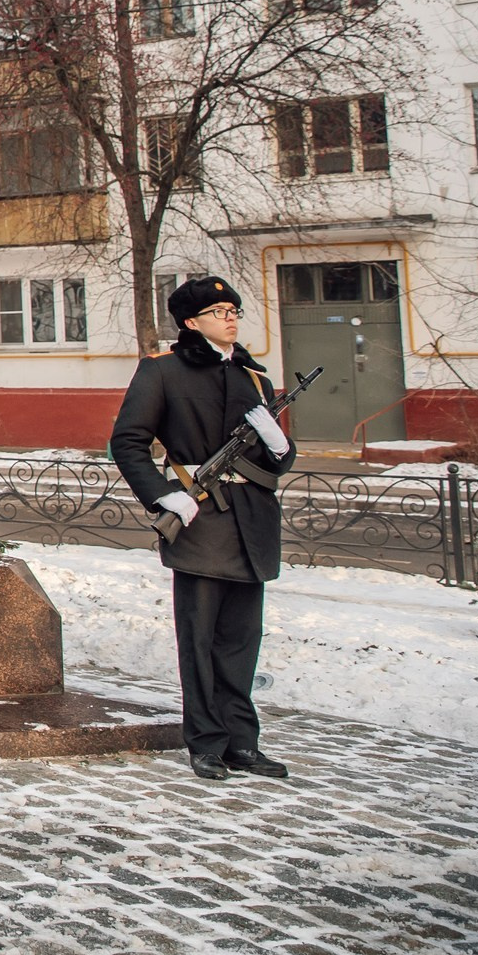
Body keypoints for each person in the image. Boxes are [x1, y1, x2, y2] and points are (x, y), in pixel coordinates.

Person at [108, 275, 298, 783]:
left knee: (241, 640)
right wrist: (162, 494)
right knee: (199, 639)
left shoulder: (255, 378)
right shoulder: (162, 372)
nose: (231, 316)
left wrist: (278, 445)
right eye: (218, 311)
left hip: (250, 521)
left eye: (234, 308)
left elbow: (276, 462)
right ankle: (206, 742)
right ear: (192, 322)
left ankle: (242, 743)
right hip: (199, 515)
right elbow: (128, 442)